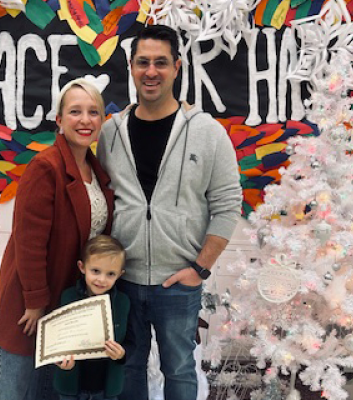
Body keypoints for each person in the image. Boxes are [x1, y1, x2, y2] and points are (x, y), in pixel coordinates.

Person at [97, 25, 243, 400]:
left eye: (161, 63)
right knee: (127, 367)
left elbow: (228, 205)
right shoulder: (110, 133)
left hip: (178, 283)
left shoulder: (207, 132)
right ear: (130, 67)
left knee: (179, 370)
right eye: (143, 62)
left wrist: (199, 268)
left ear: (177, 67)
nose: (151, 71)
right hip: (123, 279)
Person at [0, 78, 115, 400]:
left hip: (67, 304)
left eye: (93, 112)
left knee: (48, 391)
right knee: (14, 390)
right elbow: (28, 242)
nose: (85, 120)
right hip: (31, 302)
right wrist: (34, 301)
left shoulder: (96, 170)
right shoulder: (45, 167)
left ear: (102, 120)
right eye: (75, 111)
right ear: (59, 120)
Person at [53, 234, 130, 400]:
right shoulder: (68, 297)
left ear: (120, 274)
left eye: (110, 274)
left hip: (107, 388)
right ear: (82, 267)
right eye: (95, 271)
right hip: (70, 386)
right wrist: (61, 360)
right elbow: (57, 341)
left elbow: (133, 342)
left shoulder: (123, 303)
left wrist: (122, 354)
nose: (101, 279)